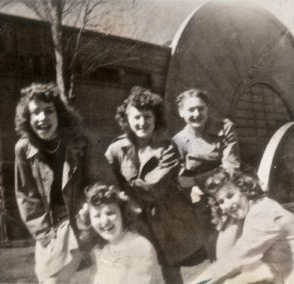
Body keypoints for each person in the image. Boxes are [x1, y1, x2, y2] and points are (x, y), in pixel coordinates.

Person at [14, 83, 116, 283]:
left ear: (59, 114)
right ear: (28, 118)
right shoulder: (23, 149)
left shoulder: (81, 141)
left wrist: (89, 208)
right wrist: (44, 234)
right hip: (49, 227)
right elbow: (26, 196)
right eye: (36, 113)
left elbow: (101, 180)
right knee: (47, 280)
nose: (42, 118)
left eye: (49, 111)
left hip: (80, 219)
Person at [105, 86, 203, 283]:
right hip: (132, 220)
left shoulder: (167, 148)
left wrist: (124, 190)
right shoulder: (116, 149)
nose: (142, 123)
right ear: (127, 120)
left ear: (155, 118)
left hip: (165, 219)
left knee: (171, 270)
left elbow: (154, 188)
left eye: (147, 117)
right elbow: (106, 183)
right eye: (136, 117)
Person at [191, 169, 294, 284]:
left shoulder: (262, 213)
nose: (227, 205)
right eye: (221, 201)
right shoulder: (254, 210)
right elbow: (228, 258)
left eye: (230, 195)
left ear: (245, 190)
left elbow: (235, 259)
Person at [173, 88, 242, 260]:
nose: (197, 113)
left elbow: (231, 165)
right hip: (201, 204)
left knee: (239, 249)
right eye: (191, 110)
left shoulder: (225, 127)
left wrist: (198, 183)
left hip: (228, 194)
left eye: (201, 108)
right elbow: (180, 178)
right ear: (181, 112)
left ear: (207, 108)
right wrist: (192, 188)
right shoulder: (178, 141)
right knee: (215, 253)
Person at [80, 182, 161, 284]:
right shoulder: (105, 248)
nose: (104, 221)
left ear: (123, 213)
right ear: (90, 220)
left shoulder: (139, 247)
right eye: (97, 216)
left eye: (110, 213)